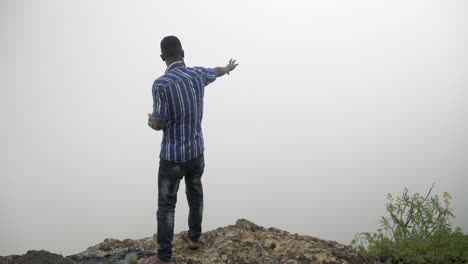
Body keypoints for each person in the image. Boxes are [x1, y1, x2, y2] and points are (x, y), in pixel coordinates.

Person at [141, 36, 238, 264]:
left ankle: (163, 257)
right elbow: (216, 71)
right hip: (196, 152)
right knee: (195, 195)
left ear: (163, 57)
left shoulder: (161, 85)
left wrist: (150, 121)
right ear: (183, 52)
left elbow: (160, 123)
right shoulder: (197, 74)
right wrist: (228, 67)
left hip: (172, 158)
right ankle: (193, 238)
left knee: (166, 206)